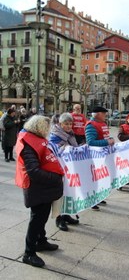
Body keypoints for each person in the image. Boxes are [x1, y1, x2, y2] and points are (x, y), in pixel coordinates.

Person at [15, 115, 64, 268]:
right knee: (36, 219)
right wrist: (56, 177)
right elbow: (33, 171)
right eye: (46, 128)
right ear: (40, 127)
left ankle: (41, 241)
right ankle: (29, 253)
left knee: (41, 218)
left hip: (45, 187)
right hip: (37, 187)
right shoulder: (28, 142)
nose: (48, 131)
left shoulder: (35, 138)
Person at [49, 113, 79, 231]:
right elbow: (54, 152)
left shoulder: (70, 134)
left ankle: (66, 215)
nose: (68, 126)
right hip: (59, 170)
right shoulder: (54, 136)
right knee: (60, 194)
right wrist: (65, 148)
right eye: (66, 123)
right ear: (60, 124)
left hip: (70, 170)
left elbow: (74, 147)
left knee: (69, 193)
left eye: (70, 123)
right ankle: (59, 218)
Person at [85, 106, 115, 210]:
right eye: (104, 113)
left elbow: (105, 137)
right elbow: (91, 142)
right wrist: (107, 142)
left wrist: (110, 139)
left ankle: (98, 197)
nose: (105, 115)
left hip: (103, 157)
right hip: (95, 158)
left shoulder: (103, 124)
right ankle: (92, 201)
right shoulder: (91, 125)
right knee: (94, 180)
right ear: (97, 114)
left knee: (101, 178)